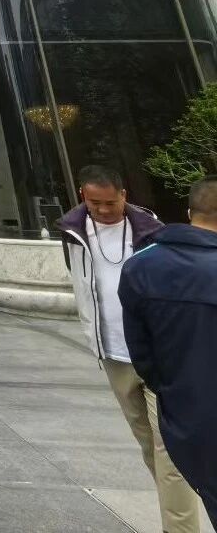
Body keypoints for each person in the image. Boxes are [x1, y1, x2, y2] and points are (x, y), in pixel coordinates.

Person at [59, 165, 200, 533]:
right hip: (114, 355)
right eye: (95, 203)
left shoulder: (152, 231)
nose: (104, 210)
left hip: (158, 356)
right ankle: (179, 510)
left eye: (111, 202)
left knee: (169, 451)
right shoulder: (72, 232)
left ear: (124, 195)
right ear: (82, 196)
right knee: (148, 447)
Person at [120, 176, 217, 525]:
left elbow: (143, 355)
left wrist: (173, 391)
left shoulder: (140, 267)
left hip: (190, 417)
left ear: (190, 212)